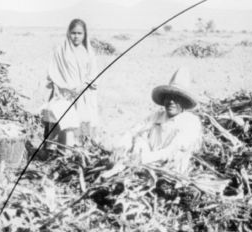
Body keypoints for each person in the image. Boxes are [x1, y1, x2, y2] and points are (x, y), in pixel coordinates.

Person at [113, 67, 203, 175]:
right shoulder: (155, 117)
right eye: (168, 97)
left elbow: (172, 151)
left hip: (170, 174)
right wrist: (121, 147)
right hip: (142, 168)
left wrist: (142, 158)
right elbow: (133, 132)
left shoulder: (191, 122)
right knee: (140, 138)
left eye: (176, 98)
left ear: (184, 101)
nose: (171, 102)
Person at [41, 18, 99, 147]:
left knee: (80, 123)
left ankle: (76, 150)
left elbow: (93, 74)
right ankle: (56, 150)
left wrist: (83, 86)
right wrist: (63, 88)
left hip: (82, 94)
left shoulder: (88, 52)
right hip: (63, 94)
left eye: (80, 33)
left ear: (85, 35)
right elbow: (53, 72)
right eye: (73, 33)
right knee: (61, 122)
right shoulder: (60, 51)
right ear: (68, 33)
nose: (76, 37)